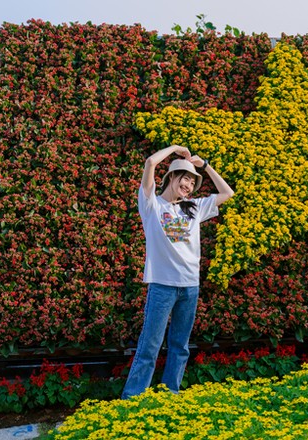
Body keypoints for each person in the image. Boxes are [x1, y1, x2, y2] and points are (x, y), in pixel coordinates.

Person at [121, 145, 234, 399]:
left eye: (193, 183)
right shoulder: (152, 205)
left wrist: (204, 165)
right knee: (149, 346)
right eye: (185, 179)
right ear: (171, 178)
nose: (189, 186)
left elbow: (227, 192)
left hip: (190, 287)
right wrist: (174, 149)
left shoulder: (193, 207)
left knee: (180, 346)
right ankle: (132, 399)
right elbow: (150, 162)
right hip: (162, 285)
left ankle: (170, 395)